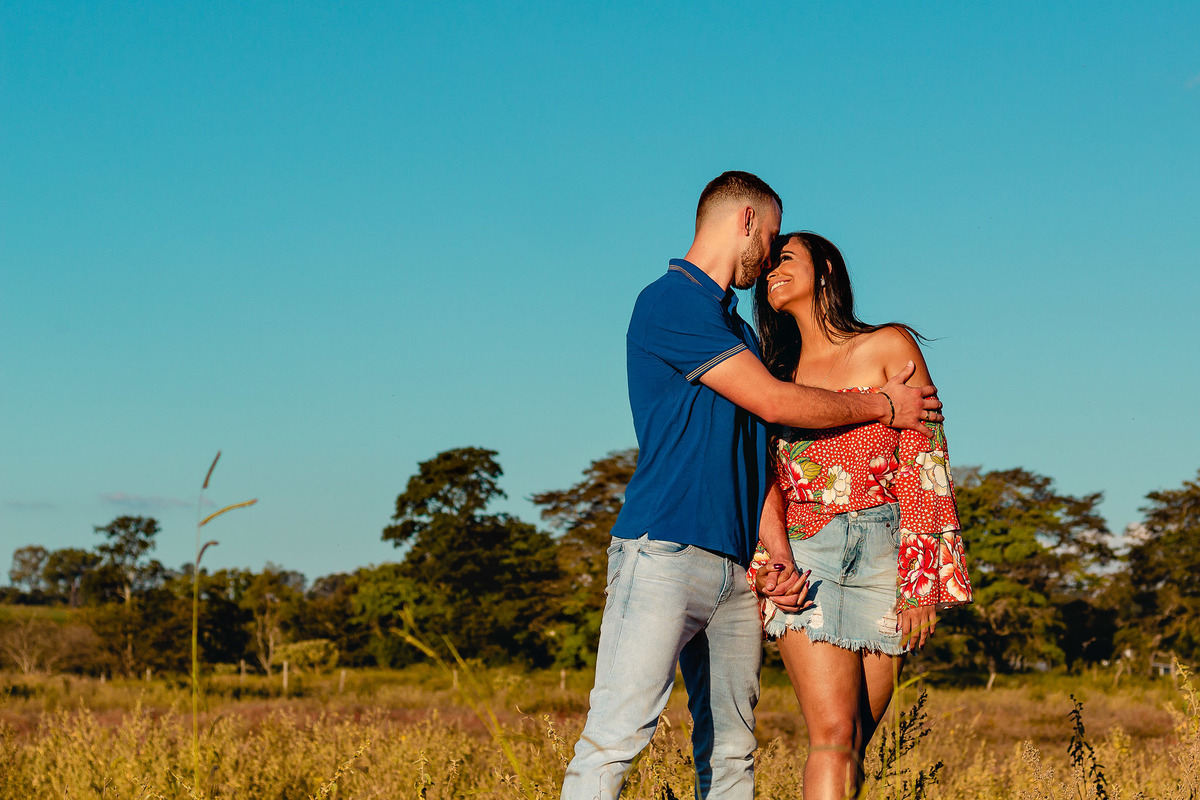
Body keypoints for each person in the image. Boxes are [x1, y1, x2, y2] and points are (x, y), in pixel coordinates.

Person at [560, 173, 945, 800]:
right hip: (663, 550)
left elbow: (756, 464)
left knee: (734, 754)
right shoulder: (670, 302)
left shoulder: (738, 333)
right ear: (745, 221)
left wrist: (779, 555)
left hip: (738, 570)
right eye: (769, 239)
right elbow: (771, 404)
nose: (768, 257)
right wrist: (881, 405)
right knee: (616, 737)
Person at [746, 231, 974, 800]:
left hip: (884, 552)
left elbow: (925, 458)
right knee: (833, 735)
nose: (772, 270)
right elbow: (760, 482)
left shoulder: (887, 347)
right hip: (808, 551)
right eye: (768, 263)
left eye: (786, 259)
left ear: (825, 267)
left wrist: (924, 581)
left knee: (856, 742)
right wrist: (766, 565)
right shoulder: (774, 375)